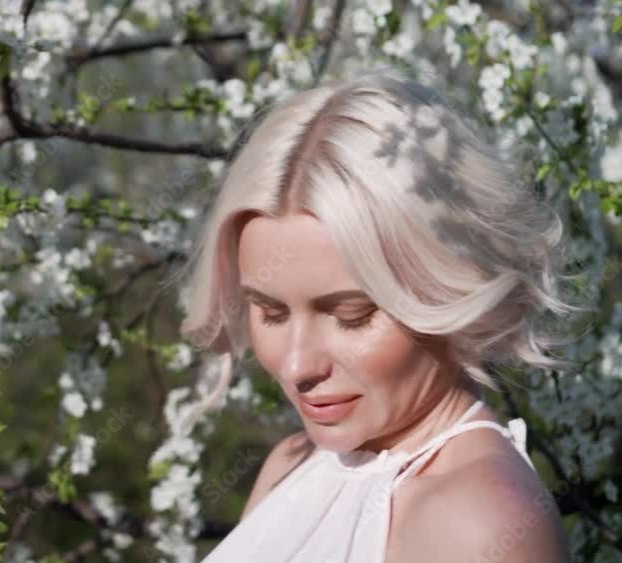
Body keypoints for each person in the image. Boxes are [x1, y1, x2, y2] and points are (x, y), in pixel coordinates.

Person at [175, 68, 577, 563]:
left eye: (351, 315)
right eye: (271, 311)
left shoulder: (481, 523)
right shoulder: (291, 465)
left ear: (444, 290)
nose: (299, 367)